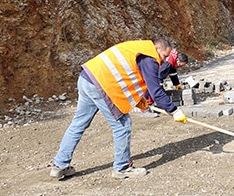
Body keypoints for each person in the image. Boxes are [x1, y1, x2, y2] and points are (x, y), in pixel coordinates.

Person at [50, 38, 187, 180]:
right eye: (164, 56)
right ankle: (122, 168)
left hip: (87, 77)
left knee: (78, 123)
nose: (164, 60)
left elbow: (129, 79)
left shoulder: (139, 47)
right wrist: (174, 111)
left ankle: (59, 165)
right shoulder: (149, 58)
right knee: (123, 125)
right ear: (158, 49)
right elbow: (156, 91)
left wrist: (141, 102)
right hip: (101, 84)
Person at [137, 49, 189, 118]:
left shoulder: (173, 59)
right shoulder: (168, 63)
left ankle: (153, 106)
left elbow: (173, 73)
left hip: (153, 72)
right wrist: (160, 87)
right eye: (180, 65)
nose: (179, 67)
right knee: (150, 90)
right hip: (148, 74)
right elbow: (159, 76)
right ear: (177, 60)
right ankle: (145, 110)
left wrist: (176, 84)